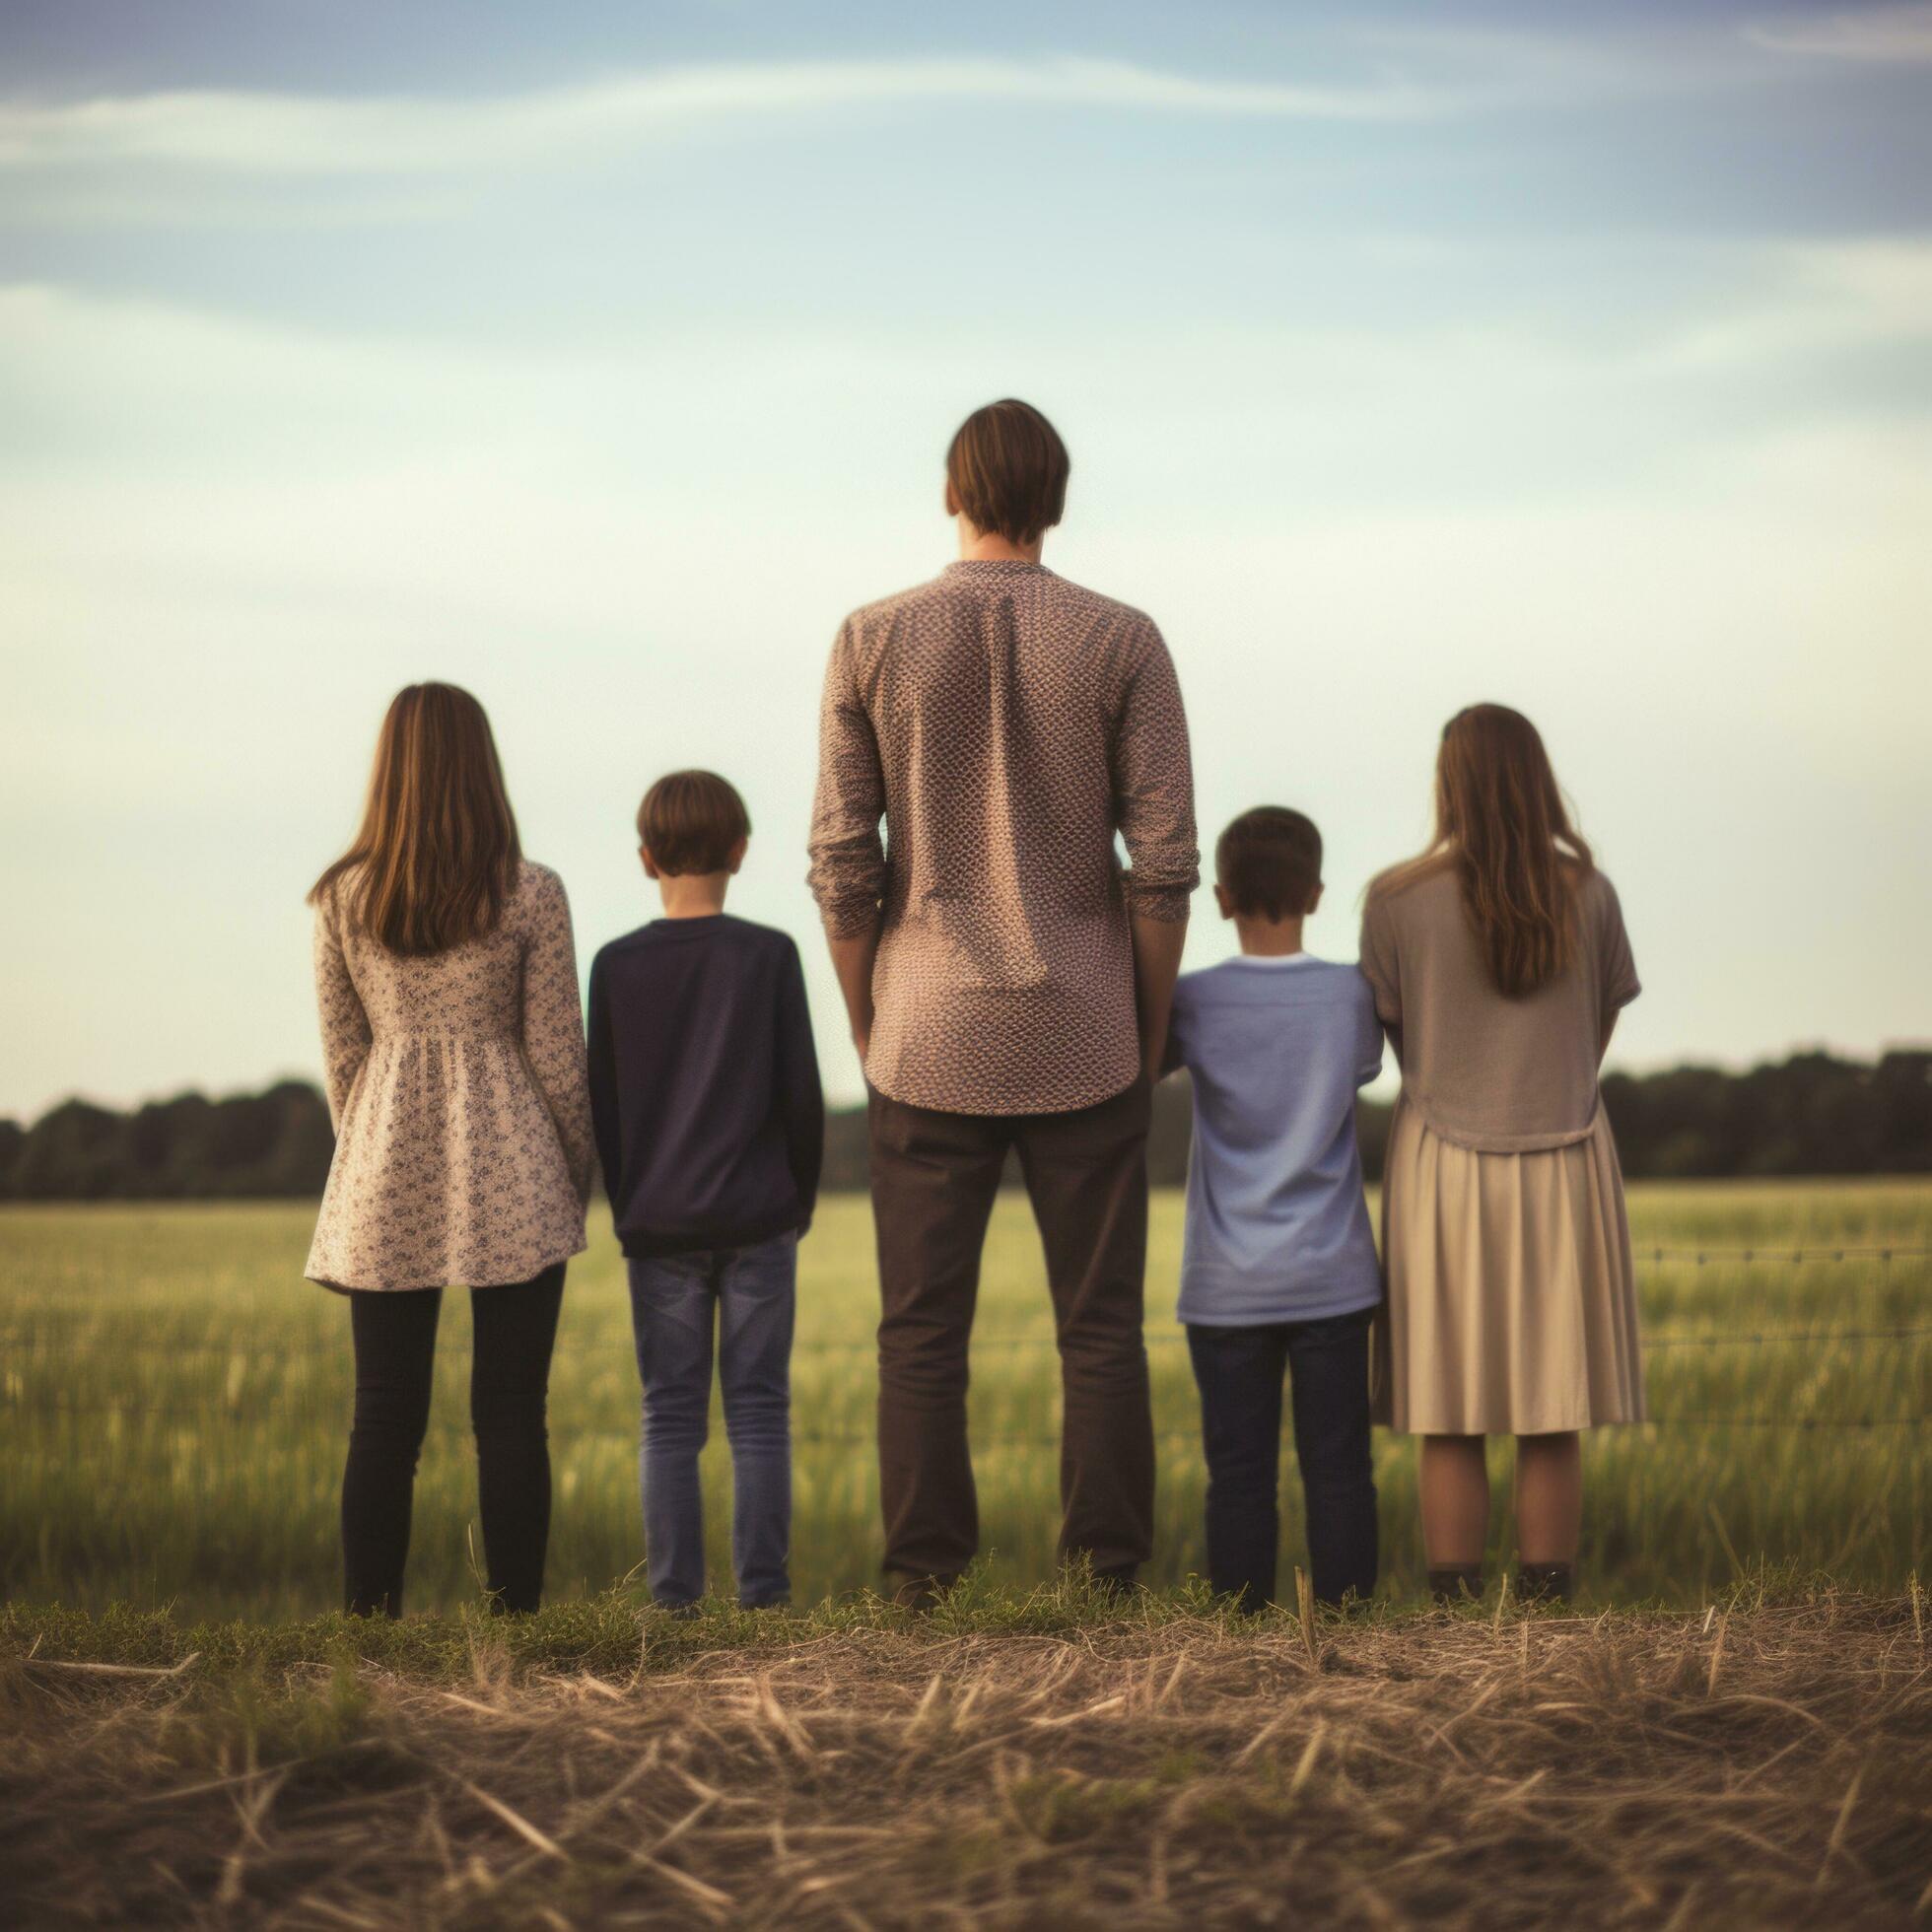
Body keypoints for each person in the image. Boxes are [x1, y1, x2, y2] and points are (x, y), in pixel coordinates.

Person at [807, 397, 1198, 1606]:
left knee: (921, 1334)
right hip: (1087, 1025)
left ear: (950, 492)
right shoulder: (1123, 638)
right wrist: (1144, 1024)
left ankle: (923, 1582)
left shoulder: (870, 634)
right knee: (1099, 1329)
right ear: (1058, 499)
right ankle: (1105, 1579)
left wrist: (873, 1023)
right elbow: (1168, 860)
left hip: (925, 1023)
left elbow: (839, 858)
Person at [307, 682, 593, 1617]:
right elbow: (558, 1057)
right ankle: (514, 1630)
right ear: (483, 766)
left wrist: (369, 1158)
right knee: (512, 1417)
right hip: (516, 1157)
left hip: (385, 1159)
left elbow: (343, 1058)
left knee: (383, 1416)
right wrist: (572, 1180)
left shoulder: (342, 896)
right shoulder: (531, 890)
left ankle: (369, 1630)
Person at [1359, 704, 1644, 1606]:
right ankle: (1546, 1614)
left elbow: (1396, 1041)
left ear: (1449, 783)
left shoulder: (1395, 899)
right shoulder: (1590, 893)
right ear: (1537, 777)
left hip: (1440, 1168)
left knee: (1448, 1409)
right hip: (1567, 1163)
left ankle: (1454, 1615)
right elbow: (1593, 1033)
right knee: (1550, 1408)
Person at [587, 771, 822, 1612]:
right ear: (741, 851)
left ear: (646, 858)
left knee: (669, 1418)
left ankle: (674, 1604)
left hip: (659, 1226)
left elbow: (604, 1109)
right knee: (759, 1413)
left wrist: (631, 1207)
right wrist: (797, 1201)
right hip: (761, 1218)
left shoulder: (614, 967)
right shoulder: (770, 956)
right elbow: (801, 1092)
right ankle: (764, 1599)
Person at [1164, 807, 1383, 1609]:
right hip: (1333, 1275)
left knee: (1240, 1475)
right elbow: (1360, 1072)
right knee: (1340, 1471)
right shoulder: (1347, 995)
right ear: (1317, 894)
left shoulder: (1192, 1000)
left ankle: (1240, 1634)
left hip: (1226, 1284)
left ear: (1219, 898)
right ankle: (1348, 1627)